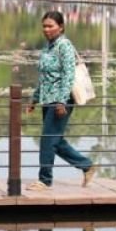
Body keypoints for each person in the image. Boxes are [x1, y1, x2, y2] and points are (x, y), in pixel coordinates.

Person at [27, 12, 95, 191]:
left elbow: (68, 75)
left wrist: (62, 101)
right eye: (44, 26)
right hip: (47, 99)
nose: (46, 29)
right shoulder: (48, 46)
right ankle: (86, 165)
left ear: (61, 27)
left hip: (60, 100)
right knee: (55, 140)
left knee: (48, 139)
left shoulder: (64, 45)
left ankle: (44, 180)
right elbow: (45, 76)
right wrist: (34, 98)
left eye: (50, 26)